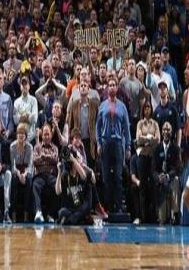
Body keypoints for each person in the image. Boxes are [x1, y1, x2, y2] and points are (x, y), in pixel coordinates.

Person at [96, 77, 131, 213]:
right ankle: (107, 208)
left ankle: (118, 207)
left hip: (117, 144)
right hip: (105, 143)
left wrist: (127, 147)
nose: (111, 87)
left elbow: (126, 128)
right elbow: (97, 127)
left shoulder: (122, 106)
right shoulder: (102, 105)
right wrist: (98, 143)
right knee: (106, 177)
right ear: (107, 88)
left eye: (114, 85)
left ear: (117, 88)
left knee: (117, 177)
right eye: (109, 85)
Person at [135, 101, 160, 223]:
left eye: (149, 108)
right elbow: (138, 139)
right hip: (142, 157)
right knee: (143, 187)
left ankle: (154, 216)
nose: (147, 110)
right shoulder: (140, 123)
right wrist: (150, 139)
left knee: (153, 186)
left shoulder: (155, 124)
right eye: (145, 108)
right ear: (143, 110)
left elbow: (158, 140)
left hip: (152, 157)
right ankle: (143, 217)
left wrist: (146, 140)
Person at [153, 122, 181, 224]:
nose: (166, 131)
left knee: (176, 180)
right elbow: (153, 169)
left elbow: (178, 168)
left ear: (171, 132)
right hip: (160, 183)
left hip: (171, 179)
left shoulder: (176, 149)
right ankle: (162, 214)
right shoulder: (157, 148)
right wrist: (158, 177)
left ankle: (175, 214)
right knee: (162, 220)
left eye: (168, 129)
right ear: (161, 131)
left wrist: (168, 176)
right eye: (164, 129)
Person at [55, 145, 91, 225]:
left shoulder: (81, 172)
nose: (77, 160)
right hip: (70, 209)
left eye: (77, 158)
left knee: (85, 208)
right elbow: (58, 191)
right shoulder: (65, 175)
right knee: (61, 212)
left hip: (81, 207)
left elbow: (84, 176)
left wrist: (73, 159)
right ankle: (75, 219)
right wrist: (59, 173)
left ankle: (70, 220)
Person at [32, 123, 59, 223]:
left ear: (51, 135)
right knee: (35, 185)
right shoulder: (37, 147)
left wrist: (44, 157)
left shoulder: (55, 148)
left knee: (58, 187)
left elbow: (55, 159)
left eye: (48, 134)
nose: (46, 137)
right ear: (41, 135)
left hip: (52, 175)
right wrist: (46, 158)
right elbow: (35, 161)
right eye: (44, 134)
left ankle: (50, 214)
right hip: (40, 175)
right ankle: (38, 212)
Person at [10, 123, 33, 222]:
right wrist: (19, 174)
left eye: (23, 133)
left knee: (29, 180)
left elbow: (30, 165)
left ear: (26, 135)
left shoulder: (29, 147)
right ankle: (13, 213)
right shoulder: (12, 146)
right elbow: (12, 165)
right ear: (16, 135)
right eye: (19, 133)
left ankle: (26, 213)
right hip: (16, 171)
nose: (21, 135)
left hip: (26, 170)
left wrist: (25, 174)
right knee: (14, 180)